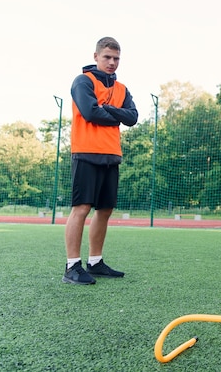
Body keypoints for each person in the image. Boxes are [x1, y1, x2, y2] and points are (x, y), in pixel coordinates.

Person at [62, 36, 139, 285]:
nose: (112, 62)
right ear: (96, 57)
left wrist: (111, 112)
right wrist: (117, 114)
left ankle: (95, 262)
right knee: (81, 209)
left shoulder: (122, 89)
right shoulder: (83, 81)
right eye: (107, 57)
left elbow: (133, 117)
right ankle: (72, 266)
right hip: (86, 152)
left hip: (111, 155)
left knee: (105, 210)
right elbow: (89, 111)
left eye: (116, 58)